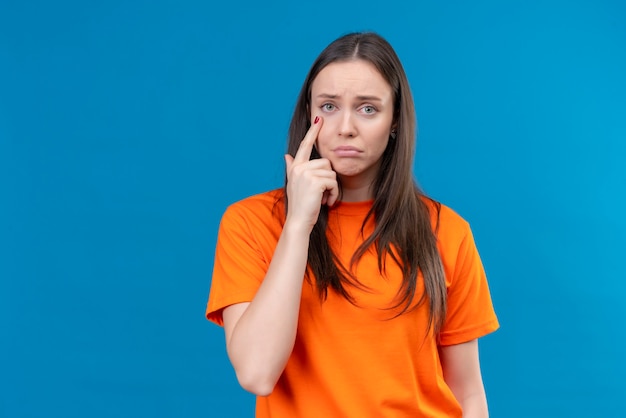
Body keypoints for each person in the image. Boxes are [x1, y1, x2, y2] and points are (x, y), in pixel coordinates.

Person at [206, 31, 499, 417]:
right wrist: (298, 224)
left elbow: (469, 394)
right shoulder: (251, 223)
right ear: (307, 114)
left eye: (367, 109)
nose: (345, 127)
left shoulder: (446, 230)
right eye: (328, 106)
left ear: (394, 121)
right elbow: (257, 373)